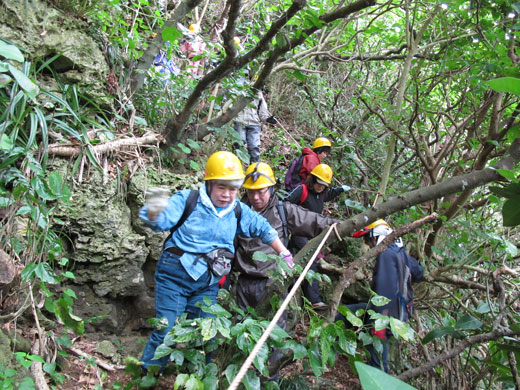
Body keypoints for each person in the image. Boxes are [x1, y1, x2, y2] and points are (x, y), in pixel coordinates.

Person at [138, 151, 294, 374]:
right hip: (174, 276)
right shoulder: (189, 199)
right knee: (166, 329)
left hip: (207, 282)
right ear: (209, 183)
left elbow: (262, 227)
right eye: (222, 187)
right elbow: (163, 220)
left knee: (206, 332)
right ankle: (149, 375)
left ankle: (198, 378)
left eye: (233, 189)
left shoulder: (237, 210)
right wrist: (154, 211)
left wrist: (283, 252)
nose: (227, 195)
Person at [234, 161, 340, 380]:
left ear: (271, 189)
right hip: (243, 285)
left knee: (274, 339)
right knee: (243, 336)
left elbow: (316, 222)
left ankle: (271, 381)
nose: (256, 197)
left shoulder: (284, 211)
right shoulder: (237, 212)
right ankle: (244, 379)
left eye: (261, 191)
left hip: (273, 284)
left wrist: (351, 227)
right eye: (251, 192)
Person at [336, 219, 424, 372]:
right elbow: (419, 272)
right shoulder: (400, 254)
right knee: (344, 315)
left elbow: (385, 288)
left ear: (377, 237)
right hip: (400, 314)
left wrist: (380, 322)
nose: (368, 244)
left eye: (368, 239)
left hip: (385, 316)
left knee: (378, 363)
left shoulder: (386, 255)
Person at [285, 163, 350, 310]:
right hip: (299, 232)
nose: (320, 187)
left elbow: (330, 194)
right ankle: (314, 299)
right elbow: (286, 205)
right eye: (318, 183)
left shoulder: (321, 193)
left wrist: (341, 189)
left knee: (297, 259)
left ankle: (293, 289)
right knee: (310, 261)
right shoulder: (302, 190)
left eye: (324, 185)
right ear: (313, 179)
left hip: (312, 233)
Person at [233, 90, 276, 163]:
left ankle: (253, 169)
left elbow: (262, 113)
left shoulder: (259, 95)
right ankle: (236, 166)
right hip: (240, 121)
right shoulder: (240, 90)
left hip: (254, 124)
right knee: (239, 143)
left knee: (254, 147)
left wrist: (267, 119)